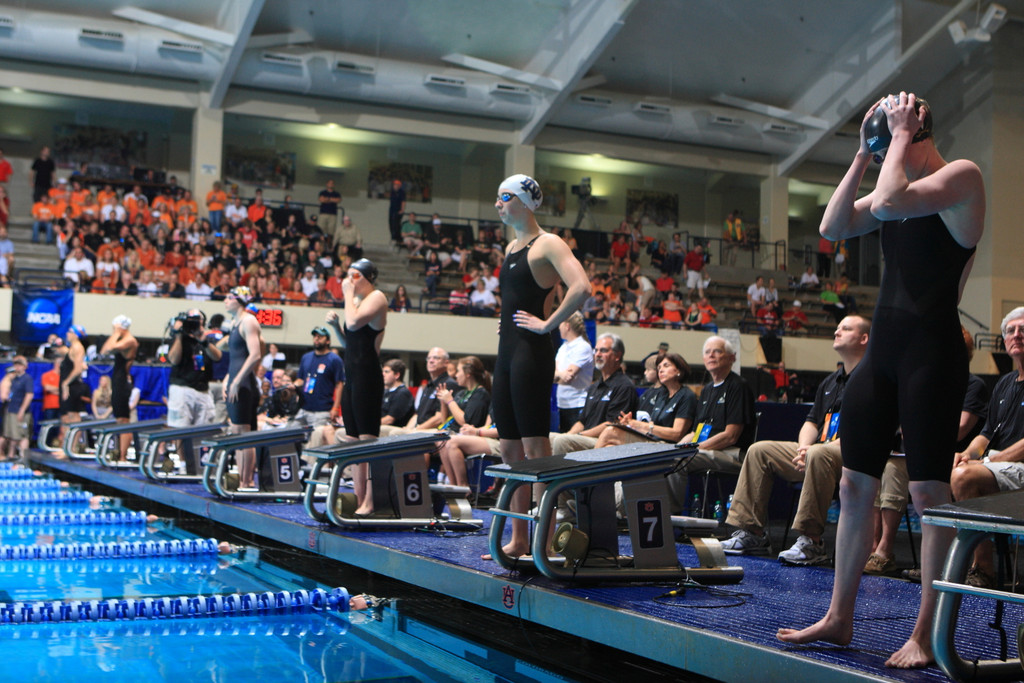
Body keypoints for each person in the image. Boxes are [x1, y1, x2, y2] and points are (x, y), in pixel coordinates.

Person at [777, 92, 985, 670]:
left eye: (888, 134)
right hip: (884, 356)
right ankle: (839, 617)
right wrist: (863, 157)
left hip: (932, 355)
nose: (882, 144)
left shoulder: (961, 178)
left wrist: (896, 136)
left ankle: (926, 630)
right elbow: (833, 224)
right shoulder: (893, 180)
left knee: (927, 493)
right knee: (853, 485)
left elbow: (892, 203)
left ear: (915, 129)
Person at [488, 173, 589, 560]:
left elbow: (581, 286)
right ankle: (517, 539)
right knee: (508, 447)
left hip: (532, 354)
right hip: (507, 352)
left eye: (505, 197)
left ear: (526, 203)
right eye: (497, 197)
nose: (498, 204)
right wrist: (508, 318)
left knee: (535, 449)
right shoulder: (513, 247)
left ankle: (542, 542)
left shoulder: (548, 243)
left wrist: (548, 325)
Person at [719, 316, 870, 561]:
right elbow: (811, 422)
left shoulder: (873, 379)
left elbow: (866, 432)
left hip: (855, 455)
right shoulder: (831, 381)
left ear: (864, 338)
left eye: (846, 328)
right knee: (760, 450)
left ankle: (812, 542)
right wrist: (803, 448)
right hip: (818, 450)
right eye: (837, 326)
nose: (836, 331)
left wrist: (813, 452)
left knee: (819, 454)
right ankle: (752, 533)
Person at [949, 308, 1024, 590]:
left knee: (965, 477)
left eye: (1023, 329)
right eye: (1010, 331)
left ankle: (984, 570)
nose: (1016, 335)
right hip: (1000, 467)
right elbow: (986, 434)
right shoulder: (1004, 383)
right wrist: (966, 455)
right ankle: (953, 562)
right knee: (947, 471)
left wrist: (985, 463)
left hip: (1018, 469)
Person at [665, 335, 756, 514]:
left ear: (732, 357)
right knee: (666, 456)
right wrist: (677, 447)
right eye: (707, 352)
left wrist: (694, 448)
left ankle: (670, 518)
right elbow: (697, 431)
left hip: (732, 453)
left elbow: (731, 435)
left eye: (717, 351)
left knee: (677, 460)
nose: (711, 355)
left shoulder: (738, 386)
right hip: (707, 450)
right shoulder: (706, 390)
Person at [325, 258, 387, 515]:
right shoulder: (358, 303)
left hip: (368, 378)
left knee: (367, 441)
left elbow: (354, 324)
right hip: (353, 376)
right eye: (348, 275)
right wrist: (334, 328)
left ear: (368, 277)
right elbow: (350, 338)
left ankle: (371, 502)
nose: (350, 281)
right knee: (352, 441)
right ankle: (359, 498)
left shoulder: (377, 297)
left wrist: (347, 296)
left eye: (355, 276)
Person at [550, 333, 638, 455]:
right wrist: (569, 435)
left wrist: (579, 435)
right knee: (550, 438)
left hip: (604, 441)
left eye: (603, 351)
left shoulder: (624, 387)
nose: (597, 354)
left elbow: (612, 424)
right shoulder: (594, 387)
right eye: (596, 350)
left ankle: (559, 474)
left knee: (562, 441)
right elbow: (582, 422)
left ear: (617, 355)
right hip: (586, 437)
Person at [596, 353, 695, 447]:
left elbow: (677, 434)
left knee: (610, 432)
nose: (660, 370)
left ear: (678, 370)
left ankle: (586, 464)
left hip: (665, 445)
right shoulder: (662, 395)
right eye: (659, 367)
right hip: (651, 439)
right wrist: (630, 423)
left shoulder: (686, 396)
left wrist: (640, 425)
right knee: (610, 446)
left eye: (666, 366)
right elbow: (651, 425)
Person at [222, 287, 263, 490]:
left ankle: (247, 481)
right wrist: (228, 379)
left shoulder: (248, 321)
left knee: (244, 433)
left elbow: (255, 355)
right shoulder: (234, 323)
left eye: (229, 297)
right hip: (237, 380)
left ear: (239, 300)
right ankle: (242, 480)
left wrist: (237, 380)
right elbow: (236, 358)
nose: (225, 300)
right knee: (237, 431)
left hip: (244, 384)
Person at [167, 308, 222, 429]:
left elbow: (217, 356)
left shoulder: (206, 340)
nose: (194, 325)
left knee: (203, 430)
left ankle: (198, 449)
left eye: (198, 322)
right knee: (180, 430)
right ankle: (180, 449)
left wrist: (203, 341)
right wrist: (179, 335)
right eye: (191, 321)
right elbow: (174, 360)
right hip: (182, 388)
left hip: (203, 390)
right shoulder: (179, 339)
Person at [293, 326, 345, 446]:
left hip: (322, 410)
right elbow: (301, 379)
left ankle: (315, 465)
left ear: (328, 341)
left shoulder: (334, 360)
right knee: (290, 434)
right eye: (315, 336)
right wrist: (292, 386)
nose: (316, 339)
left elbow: (339, 384)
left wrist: (335, 408)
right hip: (304, 407)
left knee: (315, 441)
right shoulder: (306, 357)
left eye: (320, 337)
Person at [100, 315, 139, 461]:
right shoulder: (124, 340)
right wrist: (116, 333)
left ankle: (123, 457)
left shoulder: (130, 341)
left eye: (115, 327)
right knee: (119, 420)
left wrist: (116, 333)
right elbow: (104, 350)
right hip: (118, 381)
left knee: (124, 420)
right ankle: (120, 455)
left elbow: (107, 349)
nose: (113, 331)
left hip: (123, 383)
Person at [553, 312, 593, 432]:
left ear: (567, 326)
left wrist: (557, 375)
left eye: (560, 323)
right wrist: (560, 374)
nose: (558, 327)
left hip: (577, 404)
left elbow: (567, 378)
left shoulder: (583, 347)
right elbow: (554, 375)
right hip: (563, 404)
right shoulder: (563, 347)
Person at [59, 325, 90, 447]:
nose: (67, 334)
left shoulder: (78, 348)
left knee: (73, 417)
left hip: (72, 386)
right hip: (68, 385)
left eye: (70, 332)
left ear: (76, 335)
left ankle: (72, 448)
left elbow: (77, 370)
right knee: (66, 418)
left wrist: (66, 383)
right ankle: (66, 447)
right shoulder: (72, 348)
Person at [1, 357, 34, 462]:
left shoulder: (27, 379)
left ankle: (24, 457)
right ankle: (11, 456)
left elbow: (29, 395)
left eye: (20, 365)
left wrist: (22, 410)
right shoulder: (14, 379)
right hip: (12, 410)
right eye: (16, 364)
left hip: (20, 411)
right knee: (11, 435)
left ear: (25, 367)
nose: (17, 367)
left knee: (22, 435)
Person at [380, 359, 415, 427]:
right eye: (383, 371)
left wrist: (369, 424)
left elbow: (390, 420)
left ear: (397, 375)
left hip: (394, 431)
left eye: (386, 372)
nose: (383, 374)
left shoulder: (403, 393)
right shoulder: (386, 392)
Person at [388, 179, 406, 243]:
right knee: (391, 224)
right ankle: (393, 237)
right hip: (392, 210)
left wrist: (402, 210)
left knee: (396, 224)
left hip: (397, 210)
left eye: (396, 185)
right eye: (394, 185)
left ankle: (397, 238)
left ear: (399, 186)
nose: (394, 186)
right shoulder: (392, 192)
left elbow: (403, 201)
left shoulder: (401, 192)